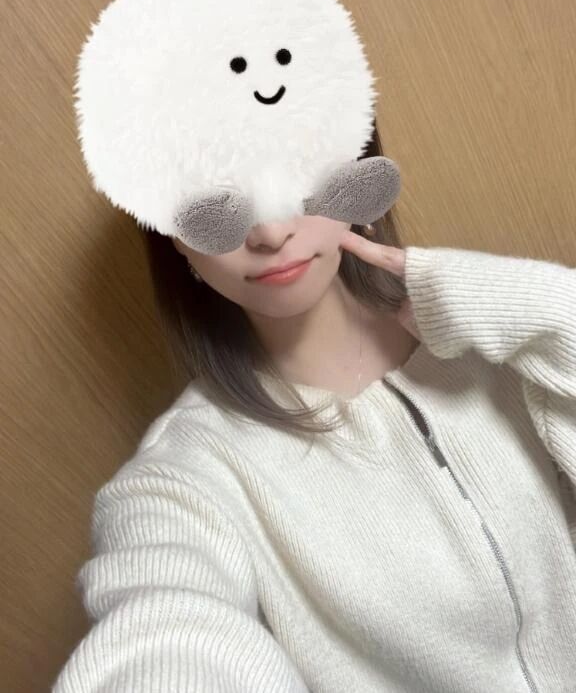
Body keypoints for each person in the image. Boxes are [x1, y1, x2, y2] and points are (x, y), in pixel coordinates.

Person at [53, 132, 576, 692]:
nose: (270, 233)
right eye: (212, 199)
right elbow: (163, 634)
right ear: (172, 235)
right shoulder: (185, 477)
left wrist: (536, 309)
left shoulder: (505, 338)